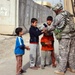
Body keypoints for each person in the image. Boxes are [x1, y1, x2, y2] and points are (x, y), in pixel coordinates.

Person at [48, 3, 75, 75]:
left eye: (55, 10)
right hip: (72, 36)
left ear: (57, 9)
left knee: (63, 54)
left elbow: (52, 27)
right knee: (71, 53)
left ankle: (61, 70)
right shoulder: (68, 14)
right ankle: (72, 68)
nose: (54, 11)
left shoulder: (58, 17)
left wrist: (46, 29)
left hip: (64, 38)